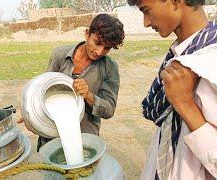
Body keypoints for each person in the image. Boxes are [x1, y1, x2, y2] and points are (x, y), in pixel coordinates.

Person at [127, 0, 217, 179]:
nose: (145, 23)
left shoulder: (210, 63)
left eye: (146, 11)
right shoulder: (182, 56)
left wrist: (185, 105)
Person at [19, 14, 125, 151]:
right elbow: (43, 89)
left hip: (83, 139)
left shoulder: (110, 67)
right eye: (97, 43)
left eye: (107, 48)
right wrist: (31, 116)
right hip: (51, 134)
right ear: (87, 34)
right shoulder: (59, 55)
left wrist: (88, 95)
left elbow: (109, 109)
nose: (100, 51)